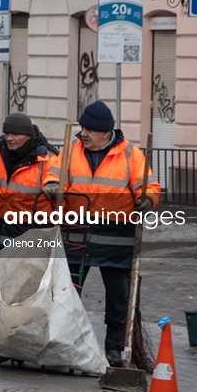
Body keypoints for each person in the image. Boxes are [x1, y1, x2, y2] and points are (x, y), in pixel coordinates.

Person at [41, 100, 160, 367]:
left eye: (89, 130)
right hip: (77, 232)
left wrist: (148, 200)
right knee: (67, 292)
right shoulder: (71, 150)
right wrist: (50, 185)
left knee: (118, 296)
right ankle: (63, 342)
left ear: (105, 133)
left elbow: (149, 185)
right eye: (82, 127)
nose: (83, 133)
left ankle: (115, 349)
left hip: (116, 236)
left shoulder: (131, 155)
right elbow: (53, 173)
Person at [0, 113, 60, 254]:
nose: (9, 138)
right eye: (7, 133)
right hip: (3, 222)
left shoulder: (47, 157)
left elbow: (55, 183)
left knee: (29, 270)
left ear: (28, 135)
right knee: (1, 266)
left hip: (34, 227)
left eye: (15, 134)